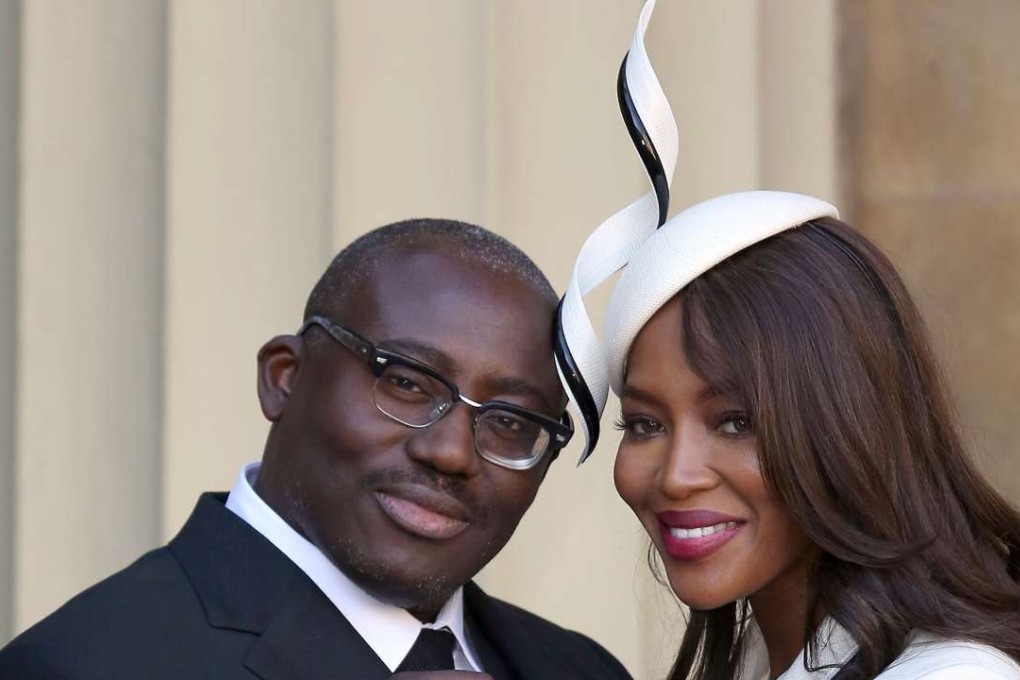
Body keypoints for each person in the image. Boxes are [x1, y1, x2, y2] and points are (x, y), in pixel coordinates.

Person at [0, 219, 631, 680]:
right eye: (407, 382)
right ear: (285, 376)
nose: (452, 453)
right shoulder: (79, 665)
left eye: (512, 423)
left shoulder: (580, 670)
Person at [598, 191, 1020, 679]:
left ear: (850, 426)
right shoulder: (763, 654)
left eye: (737, 422)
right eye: (645, 425)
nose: (677, 477)